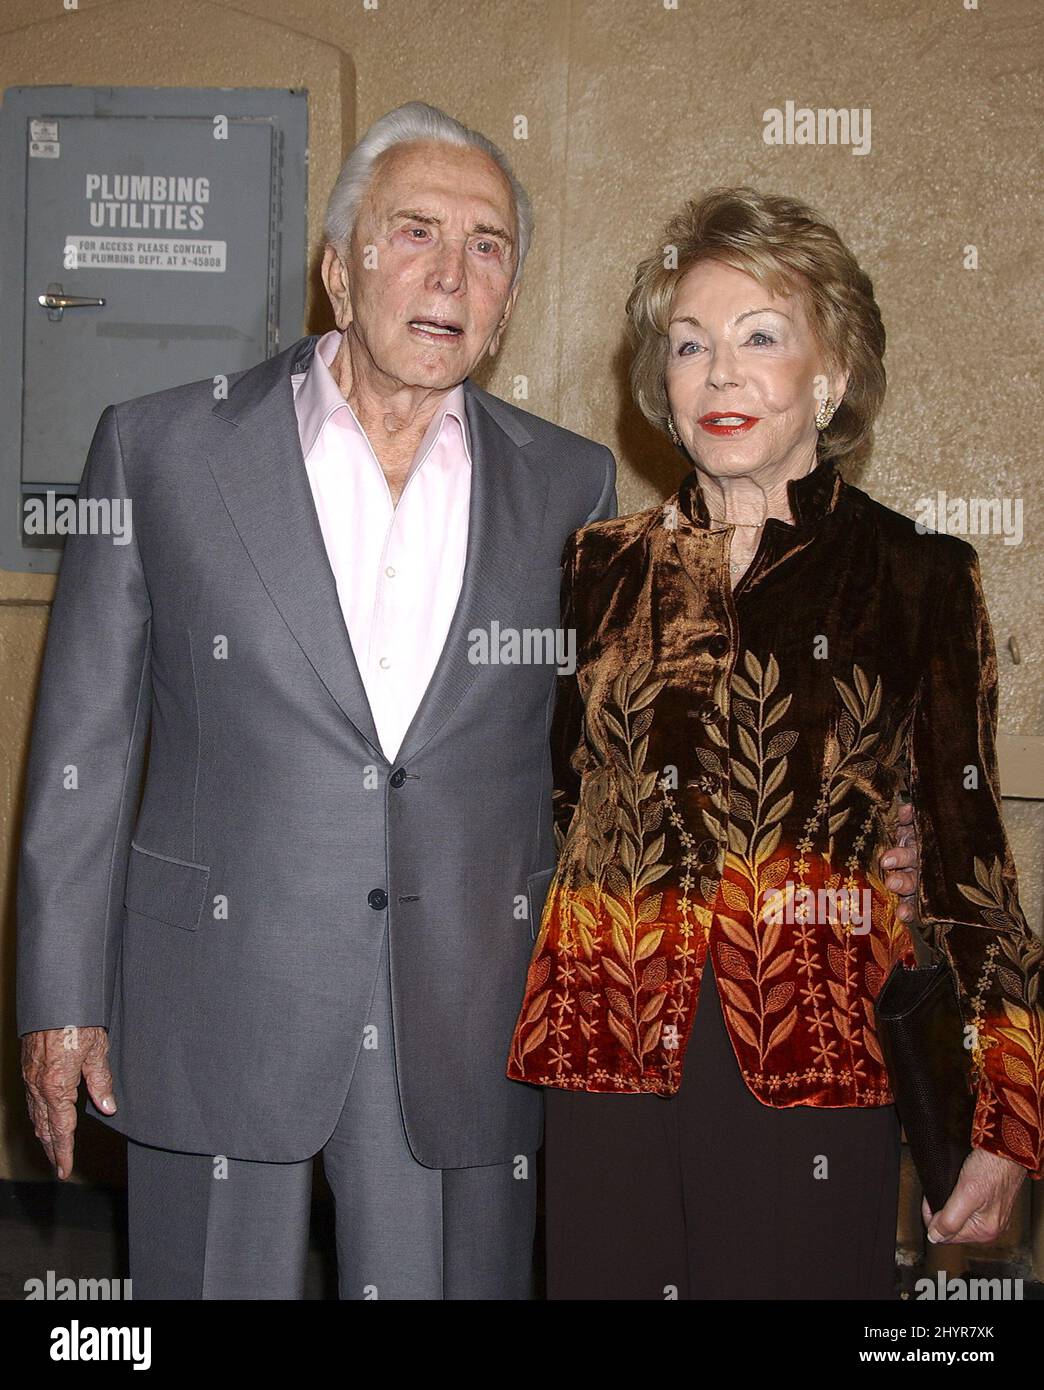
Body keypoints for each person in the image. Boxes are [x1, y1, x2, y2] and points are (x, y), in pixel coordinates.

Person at [16, 100, 620, 1301]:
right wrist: (61, 997)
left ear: (508, 300)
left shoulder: (571, 483)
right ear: (338, 269)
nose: (452, 270)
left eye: (489, 245)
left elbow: (599, 759)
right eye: (414, 232)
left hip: (459, 1007)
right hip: (216, 993)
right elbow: (84, 740)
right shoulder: (160, 449)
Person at [507, 187, 1042, 1300]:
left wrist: (1010, 1107)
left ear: (831, 375)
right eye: (691, 344)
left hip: (810, 1046)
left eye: (761, 337)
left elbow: (966, 845)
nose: (720, 372)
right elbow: (557, 799)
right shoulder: (596, 567)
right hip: (605, 1034)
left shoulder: (916, 574)